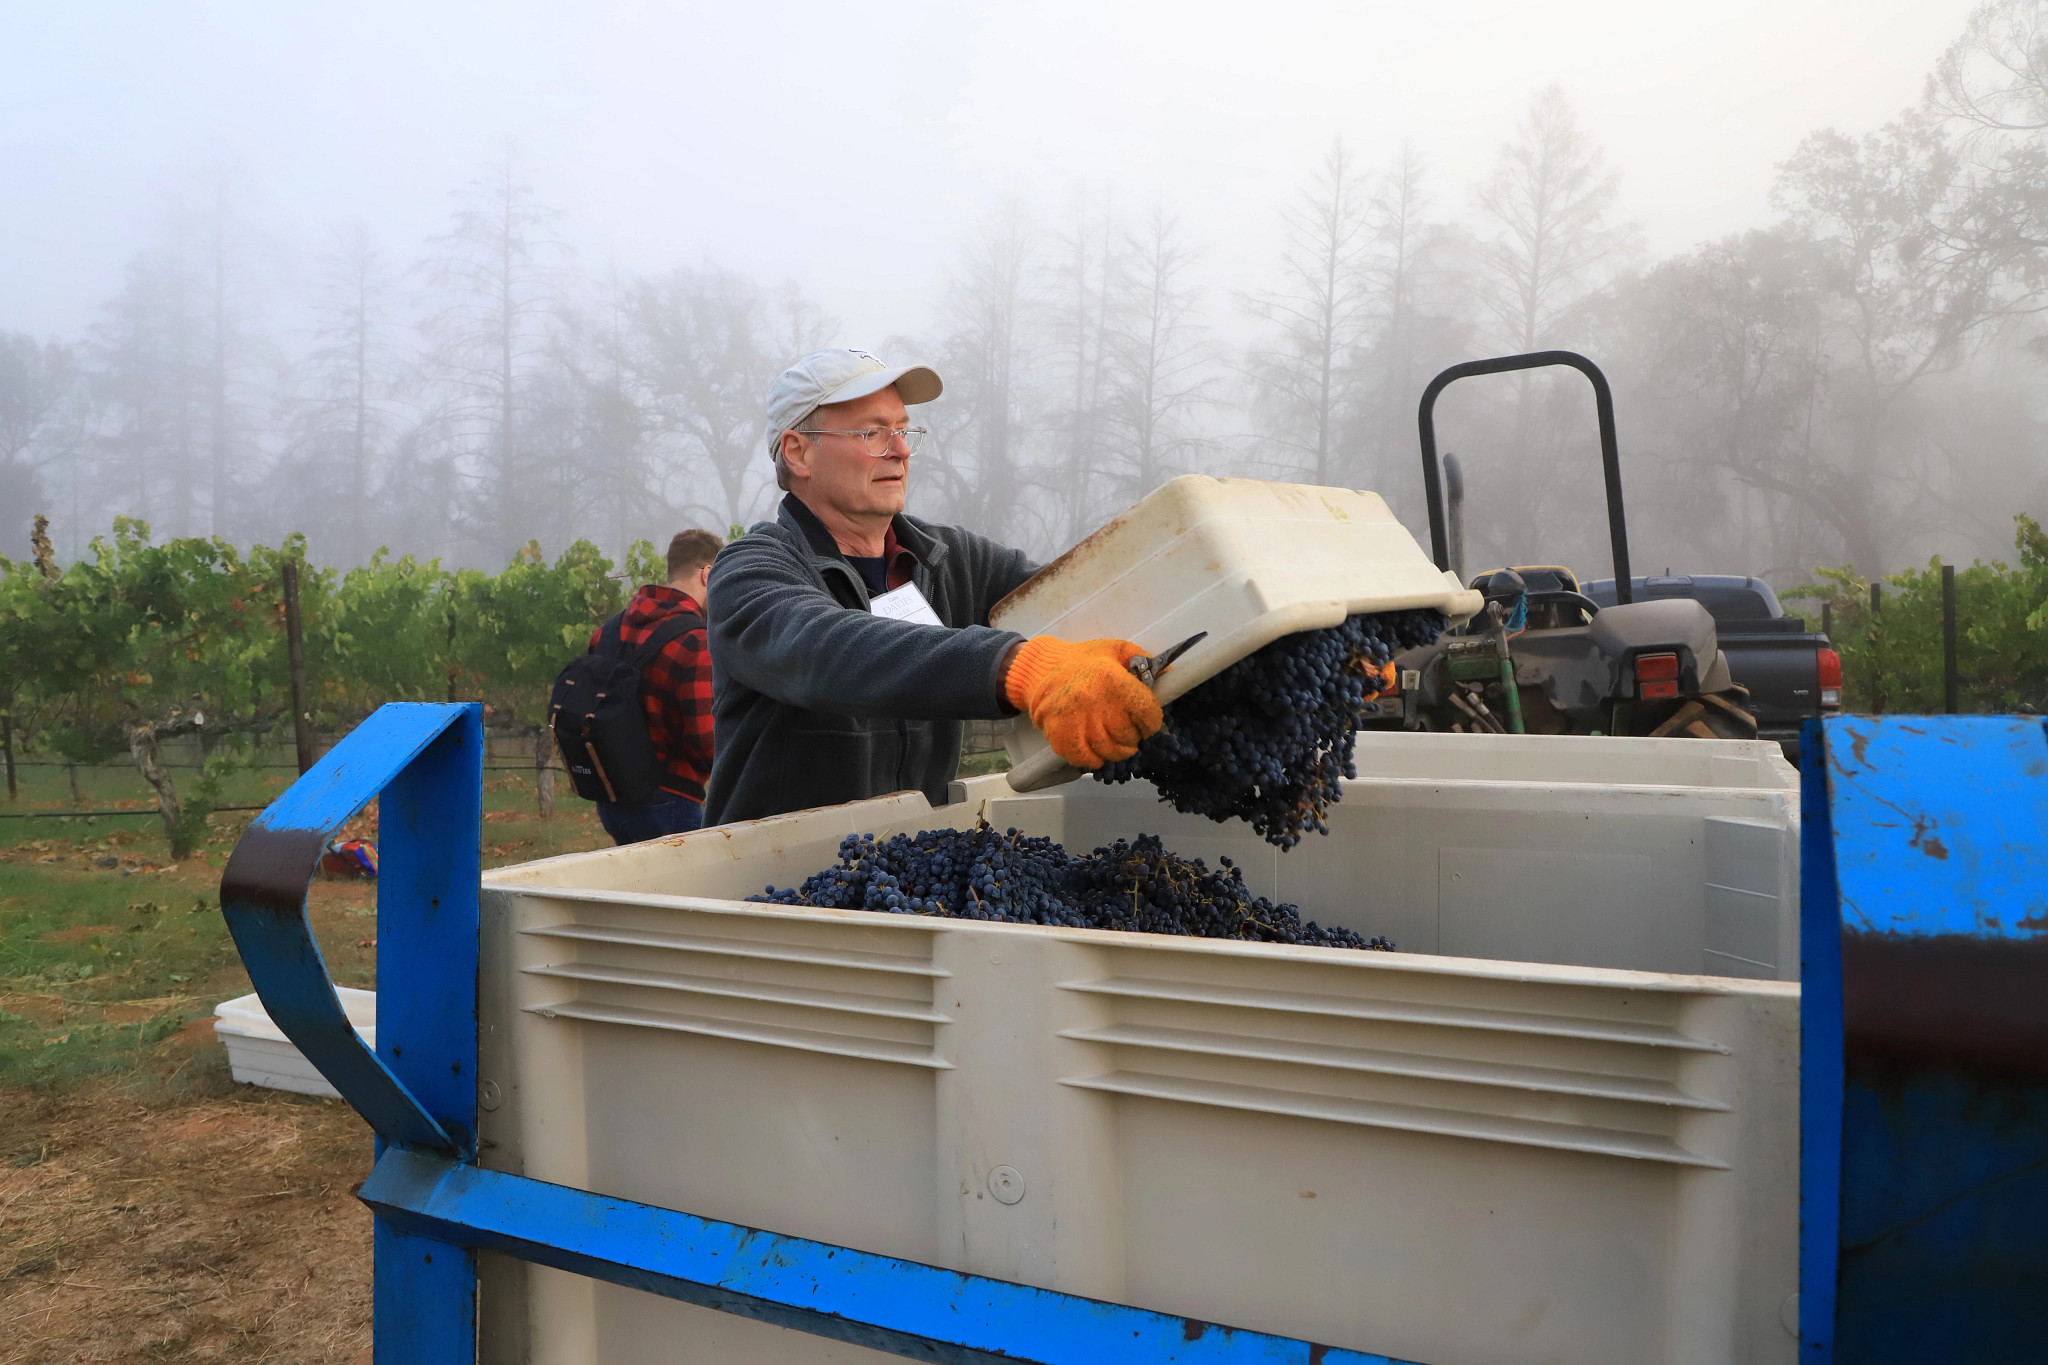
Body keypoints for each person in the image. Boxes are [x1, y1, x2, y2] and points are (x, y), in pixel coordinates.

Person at [703, 347, 1163, 825]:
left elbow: (1079, 598)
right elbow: (824, 649)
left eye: (902, 430)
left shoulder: (953, 560)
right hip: (770, 882)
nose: (900, 450)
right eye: (872, 432)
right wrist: (1019, 667)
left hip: (913, 877)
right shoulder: (749, 572)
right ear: (798, 452)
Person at [588, 528, 721, 844]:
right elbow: (706, 745)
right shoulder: (696, 641)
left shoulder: (606, 631)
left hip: (610, 799)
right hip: (670, 803)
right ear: (708, 575)